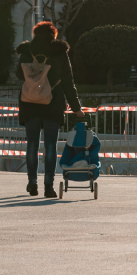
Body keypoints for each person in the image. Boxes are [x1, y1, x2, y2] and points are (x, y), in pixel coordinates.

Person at [16, 21, 85, 198]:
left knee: (32, 144)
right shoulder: (59, 51)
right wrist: (77, 108)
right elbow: (68, 82)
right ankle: (48, 186)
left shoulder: (26, 50)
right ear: (53, 34)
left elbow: (18, 74)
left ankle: (32, 183)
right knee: (50, 146)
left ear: (35, 34)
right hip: (53, 103)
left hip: (30, 102)